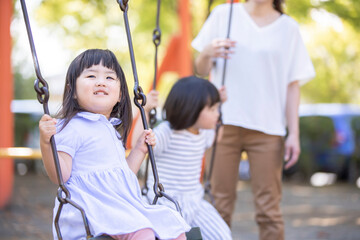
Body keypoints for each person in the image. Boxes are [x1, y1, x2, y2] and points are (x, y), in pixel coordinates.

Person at [191, 0, 316, 240]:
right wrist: (207, 52)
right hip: (223, 124)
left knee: (269, 210)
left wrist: (294, 134)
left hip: (269, 128)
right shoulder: (223, 14)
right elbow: (200, 68)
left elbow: (293, 85)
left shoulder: (288, 28)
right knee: (218, 207)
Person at [39, 49, 190, 240]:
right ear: (72, 91)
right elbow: (61, 175)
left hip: (118, 206)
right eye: (91, 75)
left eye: (110, 78)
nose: (101, 81)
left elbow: (123, 174)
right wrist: (46, 143)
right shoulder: (72, 127)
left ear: (119, 95)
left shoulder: (110, 129)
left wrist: (139, 150)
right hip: (90, 210)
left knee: (174, 229)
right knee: (143, 232)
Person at [132, 76, 232, 240]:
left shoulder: (204, 132)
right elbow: (139, 142)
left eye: (217, 108)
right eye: (212, 109)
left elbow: (217, 137)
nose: (217, 114)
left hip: (195, 203)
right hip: (166, 203)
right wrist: (146, 109)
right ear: (191, 109)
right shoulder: (168, 132)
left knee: (222, 235)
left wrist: (221, 104)